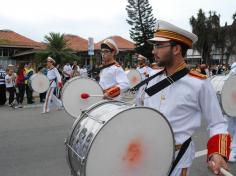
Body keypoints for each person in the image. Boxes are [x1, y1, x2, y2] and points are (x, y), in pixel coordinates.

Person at [144, 20, 230, 176]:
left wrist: (217, 152)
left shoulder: (199, 83)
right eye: (154, 46)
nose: (153, 51)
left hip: (177, 157)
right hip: (148, 153)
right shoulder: (151, 80)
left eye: (158, 46)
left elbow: (217, 122)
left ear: (176, 49)